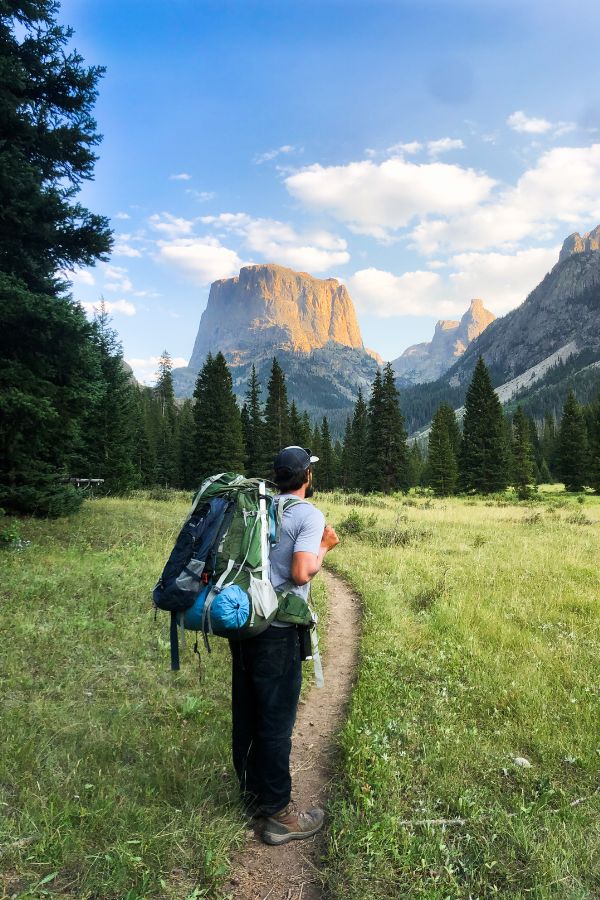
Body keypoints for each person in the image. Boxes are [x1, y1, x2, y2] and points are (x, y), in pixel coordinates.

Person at [229, 446, 340, 846]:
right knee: (276, 722)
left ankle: (252, 794)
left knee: (247, 711)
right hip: (277, 631)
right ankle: (278, 814)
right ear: (306, 477)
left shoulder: (260, 508)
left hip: (245, 624)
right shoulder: (308, 514)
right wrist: (325, 546)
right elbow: (300, 571)